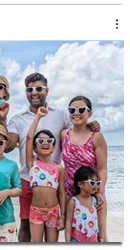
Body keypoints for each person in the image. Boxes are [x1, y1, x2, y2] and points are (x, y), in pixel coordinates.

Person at [0, 72, 100, 242]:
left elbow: (75, 131)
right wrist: (2, 121)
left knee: (53, 231)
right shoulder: (17, 119)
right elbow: (8, 147)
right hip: (26, 176)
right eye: (29, 89)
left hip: (53, 178)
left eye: (38, 88)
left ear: (47, 90)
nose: (34, 92)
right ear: (26, 92)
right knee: (25, 223)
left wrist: (89, 124)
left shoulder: (60, 115)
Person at [61, 95, 108, 242]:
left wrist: (100, 192)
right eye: (72, 110)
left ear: (89, 113)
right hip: (69, 193)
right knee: (73, 235)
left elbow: (102, 168)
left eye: (81, 109)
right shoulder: (64, 134)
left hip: (92, 193)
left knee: (99, 237)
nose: (76, 113)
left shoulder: (96, 137)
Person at [26, 106, 65, 242]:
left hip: (53, 211)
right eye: (41, 141)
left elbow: (61, 193)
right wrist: (38, 117)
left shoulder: (58, 168)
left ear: (54, 147)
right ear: (35, 147)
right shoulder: (32, 163)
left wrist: (63, 215)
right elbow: (29, 137)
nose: (45, 143)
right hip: (36, 211)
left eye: (49, 141)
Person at [65, 166, 101, 242]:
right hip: (77, 237)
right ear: (80, 184)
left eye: (97, 183)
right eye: (92, 183)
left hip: (93, 237)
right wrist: (67, 240)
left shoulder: (95, 201)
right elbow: (68, 222)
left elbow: (96, 220)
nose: (95, 186)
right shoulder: (74, 202)